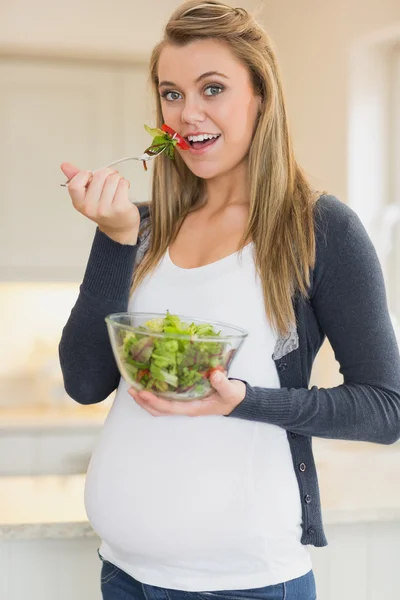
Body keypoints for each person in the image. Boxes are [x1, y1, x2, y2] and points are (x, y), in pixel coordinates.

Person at [59, 1, 400, 599]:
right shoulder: (140, 226)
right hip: (124, 574)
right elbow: (85, 382)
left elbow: (385, 408)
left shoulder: (318, 229)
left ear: (260, 96)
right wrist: (114, 240)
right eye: (171, 93)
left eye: (212, 88)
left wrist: (243, 400)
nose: (187, 113)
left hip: (243, 581)